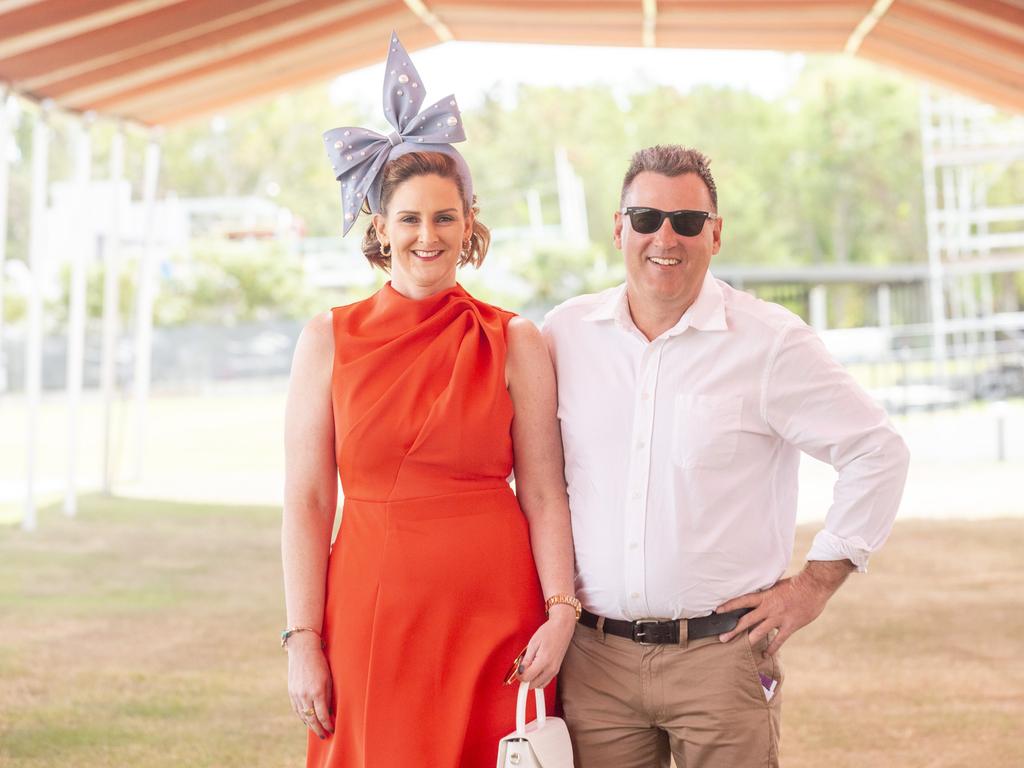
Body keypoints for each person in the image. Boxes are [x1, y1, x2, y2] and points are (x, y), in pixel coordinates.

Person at [543, 144, 911, 768]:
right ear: (617, 227)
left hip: (722, 663)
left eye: (687, 221)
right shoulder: (563, 335)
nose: (666, 236)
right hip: (594, 664)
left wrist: (813, 586)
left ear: (715, 234)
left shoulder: (770, 342)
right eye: (645, 218)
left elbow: (877, 451)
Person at [280, 34, 578, 768]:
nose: (427, 236)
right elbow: (309, 501)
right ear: (379, 227)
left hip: (496, 615)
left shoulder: (515, 341)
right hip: (371, 614)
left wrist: (561, 613)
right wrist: (302, 640)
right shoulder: (328, 338)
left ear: (469, 223)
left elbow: (544, 493)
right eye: (409, 219)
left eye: (445, 218)